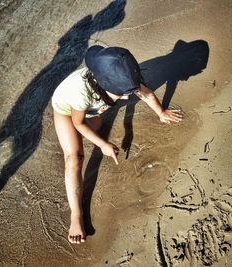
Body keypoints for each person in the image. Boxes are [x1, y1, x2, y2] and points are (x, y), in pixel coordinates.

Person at [51, 45, 183, 244]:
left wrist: (161, 112)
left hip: (91, 110)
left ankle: (94, 124)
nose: (128, 97)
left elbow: (144, 94)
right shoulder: (80, 92)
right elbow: (78, 123)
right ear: (104, 85)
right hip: (67, 111)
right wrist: (103, 145)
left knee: (96, 125)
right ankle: (76, 215)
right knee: (74, 158)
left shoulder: (122, 74)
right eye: (122, 94)